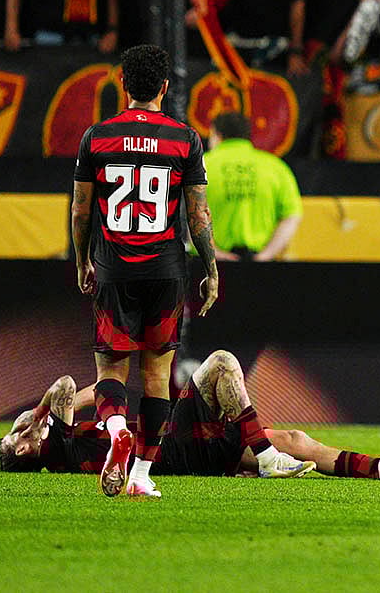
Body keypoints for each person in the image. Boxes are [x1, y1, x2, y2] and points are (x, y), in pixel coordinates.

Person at [71, 43, 221, 498]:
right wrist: (211, 268)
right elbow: (198, 214)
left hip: (114, 268)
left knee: (110, 369)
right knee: (158, 376)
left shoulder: (97, 137)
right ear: (165, 87)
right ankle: (140, 474)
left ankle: (117, 428)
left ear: (123, 84)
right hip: (166, 270)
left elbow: (81, 210)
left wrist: (82, 260)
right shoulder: (184, 139)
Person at [0, 350, 380, 482]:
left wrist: (105, 389)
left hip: (173, 440)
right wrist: (39, 412)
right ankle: (266, 457)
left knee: (294, 440)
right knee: (221, 363)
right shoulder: (61, 446)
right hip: (174, 449)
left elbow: (81, 390)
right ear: (26, 450)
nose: (22, 427)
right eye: (16, 434)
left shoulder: (65, 435)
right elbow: (65, 386)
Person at [204, 111, 303, 262]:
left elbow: (187, 214)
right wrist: (266, 255)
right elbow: (292, 216)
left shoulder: (202, 165)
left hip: (210, 265)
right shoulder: (275, 167)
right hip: (260, 265)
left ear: (216, 135)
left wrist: (214, 252)